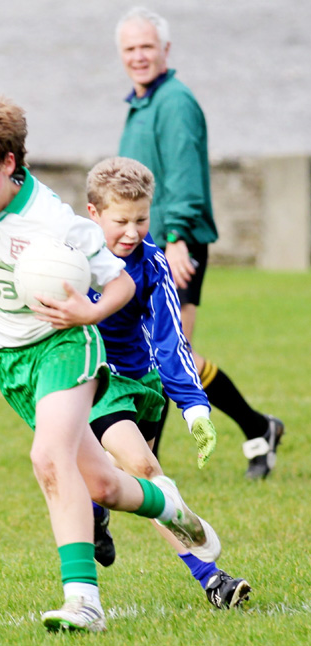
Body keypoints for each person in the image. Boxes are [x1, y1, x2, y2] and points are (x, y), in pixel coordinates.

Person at [0, 94, 221, 633]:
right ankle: (169, 507)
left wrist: (86, 310)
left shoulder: (57, 224)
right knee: (104, 487)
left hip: (65, 345)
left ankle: (83, 601)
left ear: (9, 163)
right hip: (8, 359)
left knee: (48, 457)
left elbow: (121, 280)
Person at [115, 7, 284, 479]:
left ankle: (150, 463)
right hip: (145, 246)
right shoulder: (143, 103)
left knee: (172, 353)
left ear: (165, 49)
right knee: (164, 351)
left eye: (147, 46)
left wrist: (177, 237)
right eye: (129, 49)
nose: (138, 56)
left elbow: (185, 176)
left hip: (174, 243)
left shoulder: (175, 102)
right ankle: (257, 427)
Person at [86, 156, 251, 609]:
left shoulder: (154, 265)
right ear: (93, 213)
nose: (132, 231)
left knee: (134, 487)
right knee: (147, 473)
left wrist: (195, 408)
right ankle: (212, 579)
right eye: (120, 220)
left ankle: (96, 512)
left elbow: (172, 343)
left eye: (141, 219)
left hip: (146, 389)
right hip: (98, 384)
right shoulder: (70, 259)